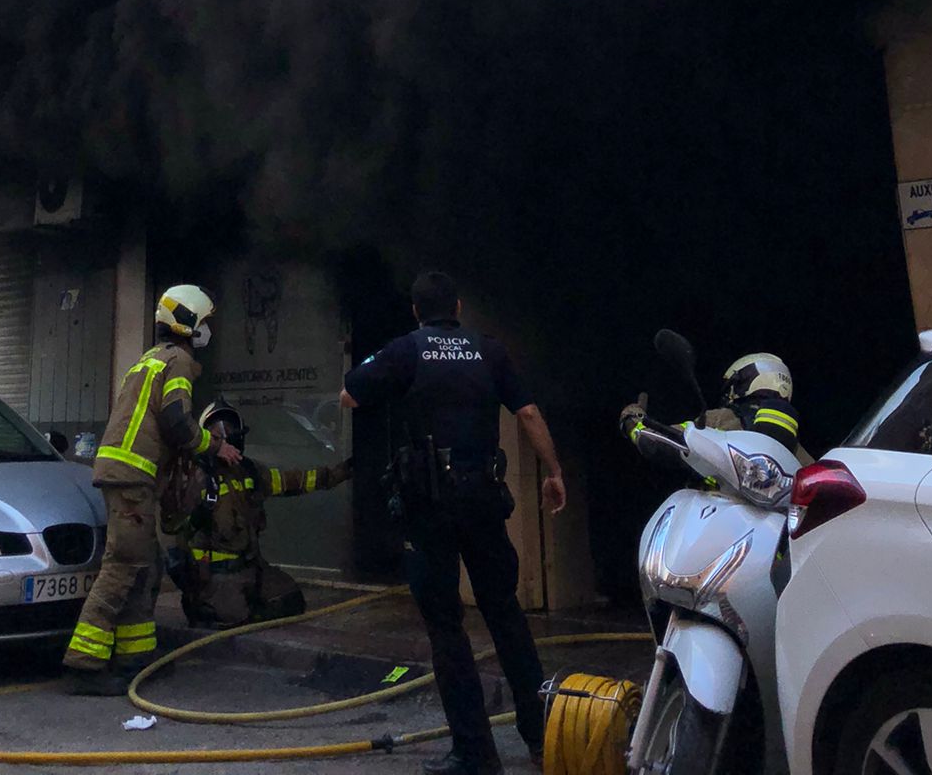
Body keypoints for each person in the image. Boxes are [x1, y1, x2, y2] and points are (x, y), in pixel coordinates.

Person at [341, 269, 567, 775]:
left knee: (447, 627)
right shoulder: (490, 350)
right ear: (459, 307)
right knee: (506, 614)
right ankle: (541, 740)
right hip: (484, 498)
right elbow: (528, 413)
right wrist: (553, 471)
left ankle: (475, 754)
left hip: (430, 506)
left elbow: (350, 395)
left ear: (417, 311)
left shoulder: (406, 350)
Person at [63, 283, 241, 694]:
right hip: (131, 479)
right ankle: (84, 665)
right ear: (189, 324)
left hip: (128, 477)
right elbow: (177, 422)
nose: (208, 332)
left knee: (145, 569)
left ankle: (136, 659)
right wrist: (215, 448)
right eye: (205, 323)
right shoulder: (177, 361)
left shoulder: (149, 360)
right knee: (123, 567)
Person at [162, 399, 353, 628]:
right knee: (235, 619)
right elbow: (170, 526)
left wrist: (342, 472)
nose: (225, 438)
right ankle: (204, 607)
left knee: (290, 601)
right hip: (214, 577)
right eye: (216, 434)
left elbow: (294, 481)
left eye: (230, 432)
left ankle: (239, 605)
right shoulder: (196, 477)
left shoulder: (249, 472)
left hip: (252, 569)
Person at [620, 350, 813, 467]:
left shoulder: (722, 419)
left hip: (720, 513)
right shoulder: (795, 448)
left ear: (743, 382)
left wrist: (633, 421)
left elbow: (658, 440)